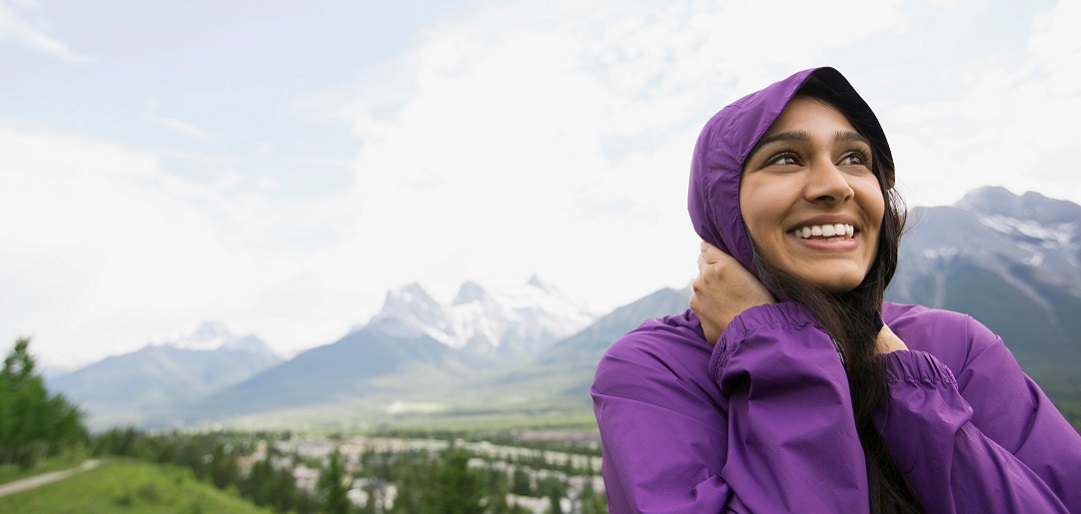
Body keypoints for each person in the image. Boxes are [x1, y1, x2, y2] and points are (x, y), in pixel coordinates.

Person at [590, 67, 1081, 513]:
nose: (835, 185)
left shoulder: (958, 347)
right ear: (720, 203)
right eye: (785, 158)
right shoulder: (654, 372)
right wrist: (772, 347)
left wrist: (903, 382)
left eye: (853, 158)